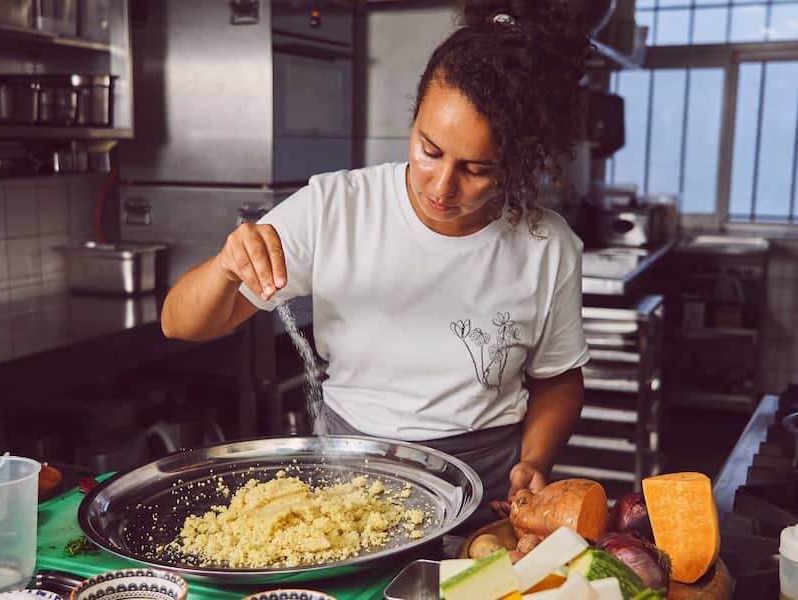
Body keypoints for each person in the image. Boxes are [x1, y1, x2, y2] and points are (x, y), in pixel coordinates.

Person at [161, 0, 592, 518]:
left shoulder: (548, 246)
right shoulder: (334, 207)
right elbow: (179, 325)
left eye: (477, 168)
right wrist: (225, 266)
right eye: (429, 149)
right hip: (349, 488)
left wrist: (537, 457)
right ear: (413, 120)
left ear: (520, 164)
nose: (442, 185)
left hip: (486, 493)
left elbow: (558, 379)